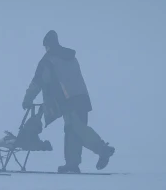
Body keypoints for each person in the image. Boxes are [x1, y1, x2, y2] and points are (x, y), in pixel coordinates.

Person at [22, 30, 115, 173]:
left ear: (48, 45)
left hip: (68, 100)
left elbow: (38, 82)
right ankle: (72, 164)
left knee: (77, 128)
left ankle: (103, 150)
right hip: (82, 97)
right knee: (72, 129)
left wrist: (27, 100)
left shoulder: (48, 60)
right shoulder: (70, 57)